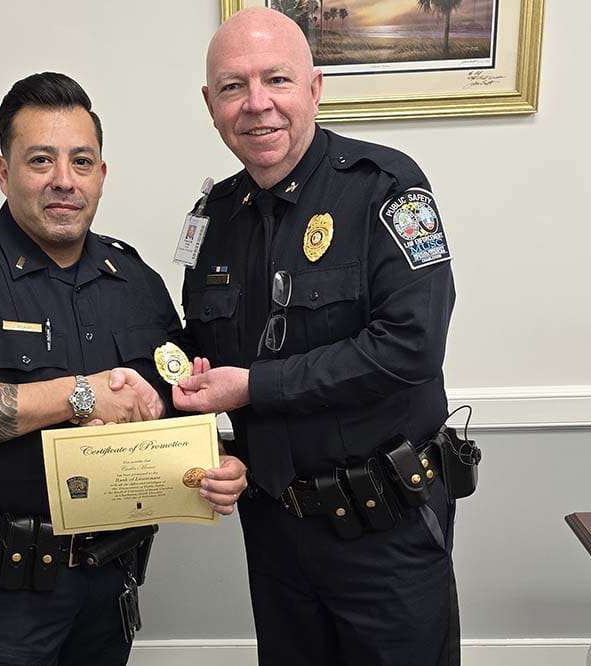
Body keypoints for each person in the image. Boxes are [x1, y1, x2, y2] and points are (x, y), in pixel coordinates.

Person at [0, 72, 247, 666]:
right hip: (9, 587)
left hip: (113, 574)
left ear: (101, 175)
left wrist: (216, 461)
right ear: (4, 172)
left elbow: (174, 392)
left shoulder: (136, 282)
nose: (63, 180)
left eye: (81, 161)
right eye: (40, 160)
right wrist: (80, 395)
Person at [173, 8, 460, 666]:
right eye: (233, 87)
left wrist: (255, 388)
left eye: (277, 79)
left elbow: (411, 346)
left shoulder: (387, 189)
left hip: (384, 527)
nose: (257, 105)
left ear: (315, 88)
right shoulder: (212, 219)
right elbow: (196, 357)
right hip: (274, 529)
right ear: (211, 105)